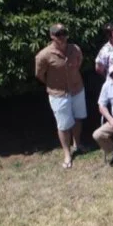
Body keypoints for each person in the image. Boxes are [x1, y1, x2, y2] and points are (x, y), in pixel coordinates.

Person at [35, 23, 86, 169]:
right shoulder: (44, 55)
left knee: (77, 118)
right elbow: (39, 75)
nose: (62, 37)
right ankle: (67, 154)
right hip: (58, 94)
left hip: (77, 89)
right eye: (58, 34)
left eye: (64, 33)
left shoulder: (75, 49)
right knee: (63, 125)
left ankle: (77, 143)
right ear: (52, 36)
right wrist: (53, 84)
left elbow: (79, 63)